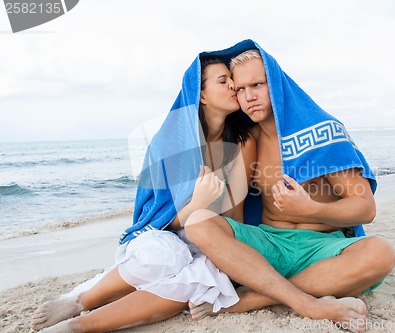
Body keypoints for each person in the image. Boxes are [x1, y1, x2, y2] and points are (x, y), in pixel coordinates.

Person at [30, 56, 257, 333]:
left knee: (204, 279)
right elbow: (159, 216)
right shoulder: (170, 143)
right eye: (223, 81)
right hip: (163, 236)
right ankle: (81, 300)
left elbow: (236, 216)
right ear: (201, 95)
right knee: (169, 256)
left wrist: (226, 247)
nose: (234, 86)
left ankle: (78, 326)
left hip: (211, 237)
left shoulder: (242, 143)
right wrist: (196, 204)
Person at [184, 41, 395, 333]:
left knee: (380, 253)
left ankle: (250, 300)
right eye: (240, 89)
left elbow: (365, 208)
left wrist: (310, 209)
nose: (248, 97)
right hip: (270, 245)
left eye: (257, 85)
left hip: (323, 248)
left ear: (276, 83)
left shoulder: (323, 131)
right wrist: (226, 248)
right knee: (198, 222)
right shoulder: (251, 141)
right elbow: (235, 214)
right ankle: (306, 302)